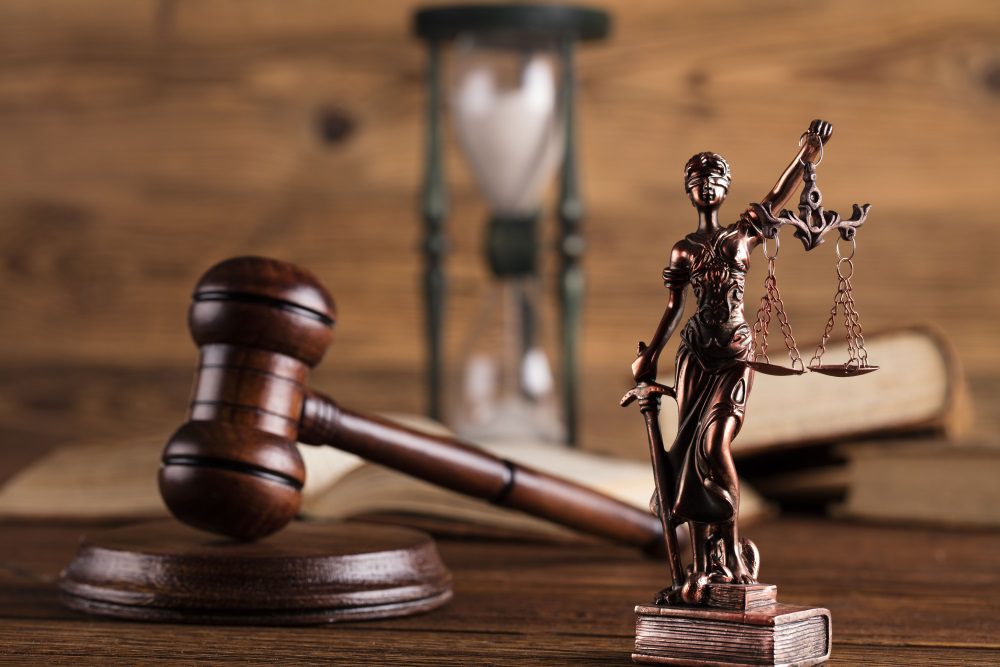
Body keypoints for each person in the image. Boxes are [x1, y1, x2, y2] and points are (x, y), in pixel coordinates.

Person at [630, 121, 830, 598]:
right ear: (688, 191)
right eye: (697, 180)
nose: (706, 185)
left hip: (736, 354)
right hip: (695, 356)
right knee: (687, 457)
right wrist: (650, 356)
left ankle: (733, 555)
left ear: (725, 188)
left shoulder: (742, 236)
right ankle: (702, 565)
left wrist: (805, 158)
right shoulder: (684, 249)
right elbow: (675, 309)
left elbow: (778, 196)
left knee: (715, 445)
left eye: (715, 178)